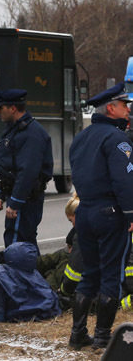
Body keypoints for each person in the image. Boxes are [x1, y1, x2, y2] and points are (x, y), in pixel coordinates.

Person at [67, 82, 133, 350]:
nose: (128, 110)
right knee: (110, 275)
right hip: (111, 213)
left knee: (89, 274)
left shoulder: (82, 137)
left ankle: (77, 334)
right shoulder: (116, 139)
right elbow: (124, 181)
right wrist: (131, 214)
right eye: (124, 105)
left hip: (85, 211)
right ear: (111, 108)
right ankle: (104, 337)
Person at [0, 89, 53, 250]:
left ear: (12, 108)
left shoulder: (30, 134)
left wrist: (16, 202)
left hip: (26, 199)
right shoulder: (15, 128)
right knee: (20, 241)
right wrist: (1, 194)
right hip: (17, 195)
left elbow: (27, 172)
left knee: (18, 245)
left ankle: (24, 275)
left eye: (1, 107)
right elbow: (8, 165)